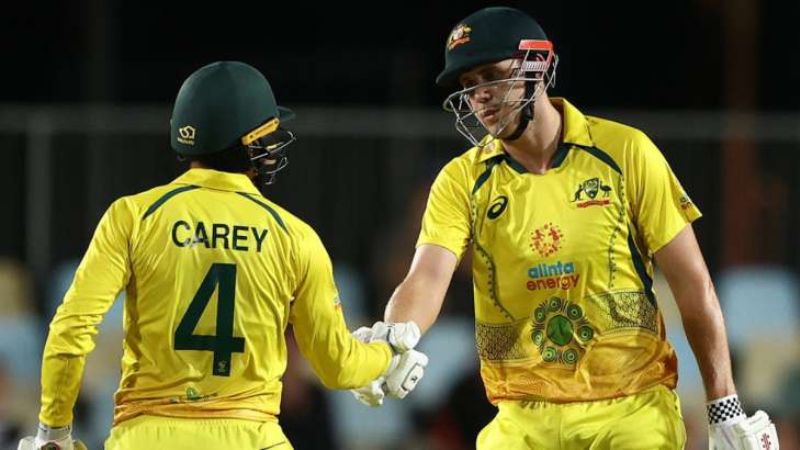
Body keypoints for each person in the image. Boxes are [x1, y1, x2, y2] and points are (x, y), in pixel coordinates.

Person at [365, 6, 779, 450]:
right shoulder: (461, 180)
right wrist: (394, 336)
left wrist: (723, 405)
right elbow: (427, 276)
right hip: (521, 418)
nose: (479, 96)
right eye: (468, 85)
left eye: (491, 76)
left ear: (538, 65)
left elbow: (694, 285)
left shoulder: (626, 152)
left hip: (632, 409)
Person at [18, 61, 427, 450]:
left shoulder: (133, 216)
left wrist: (54, 431)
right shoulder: (294, 236)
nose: (272, 144)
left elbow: (71, 330)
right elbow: (337, 367)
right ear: (248, 141)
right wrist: (386, 355)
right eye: (268, 133)